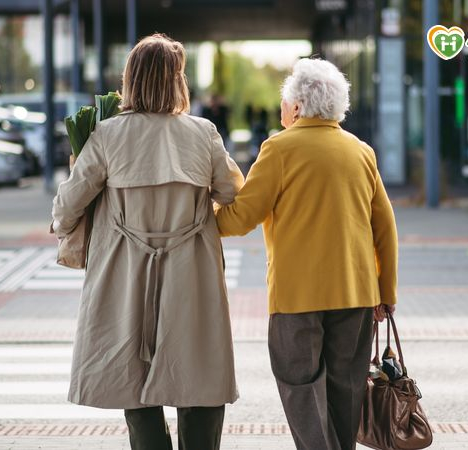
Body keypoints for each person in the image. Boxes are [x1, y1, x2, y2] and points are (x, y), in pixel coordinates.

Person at [51, 33, 244, 450]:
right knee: (199, 371)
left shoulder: (107, 134)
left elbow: (67, 206)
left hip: (125, 270)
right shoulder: (202, 132)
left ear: (131, 80)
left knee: (131, 374)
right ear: (177, 81)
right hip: (191, 269)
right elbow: (231, 193)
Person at [215, 58, 399, 450]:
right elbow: (384, 227)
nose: (283, 109)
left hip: (297, 298)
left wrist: (201, 217)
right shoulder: (361, 152)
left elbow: (241, 217)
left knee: (300, 387)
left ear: (297, 107)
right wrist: (386, 293)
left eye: (285, 102)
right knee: (347, 388)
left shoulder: (279, 149)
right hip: (356, 294)